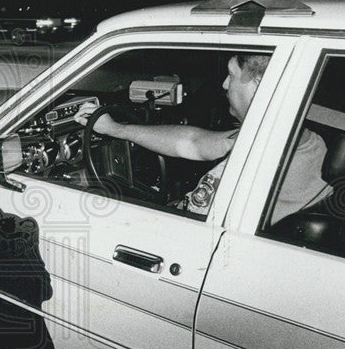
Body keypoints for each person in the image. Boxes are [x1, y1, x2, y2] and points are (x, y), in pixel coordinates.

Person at [74, 53, 331, 223]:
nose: (224, 85)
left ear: (260, 82)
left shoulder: (256, 155)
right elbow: (195, 143)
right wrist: (115, 129)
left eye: (231, 75)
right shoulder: (302, 139)